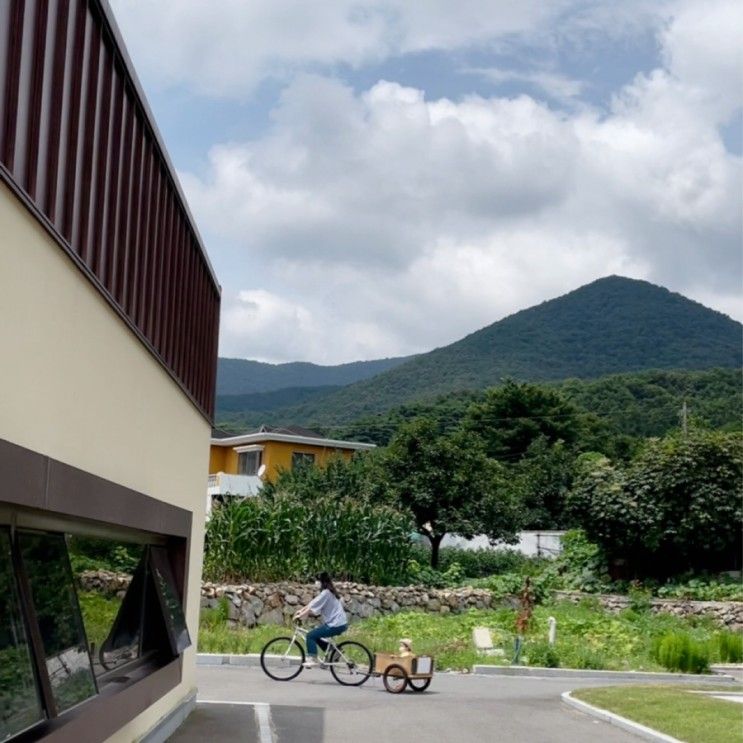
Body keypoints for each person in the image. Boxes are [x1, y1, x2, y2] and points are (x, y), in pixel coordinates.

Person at [293, 571, 348, 667]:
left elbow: (312, 606)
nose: (316, 584)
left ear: (321, 581)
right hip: (338, 623)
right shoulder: (328, 592)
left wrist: (300, 615)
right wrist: (301, 611)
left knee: (310, 636)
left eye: (317, 581)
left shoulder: (326, 593)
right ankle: (334, 652)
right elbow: (312, 603)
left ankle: (313, 658)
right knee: (316, 634)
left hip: (336, 624)